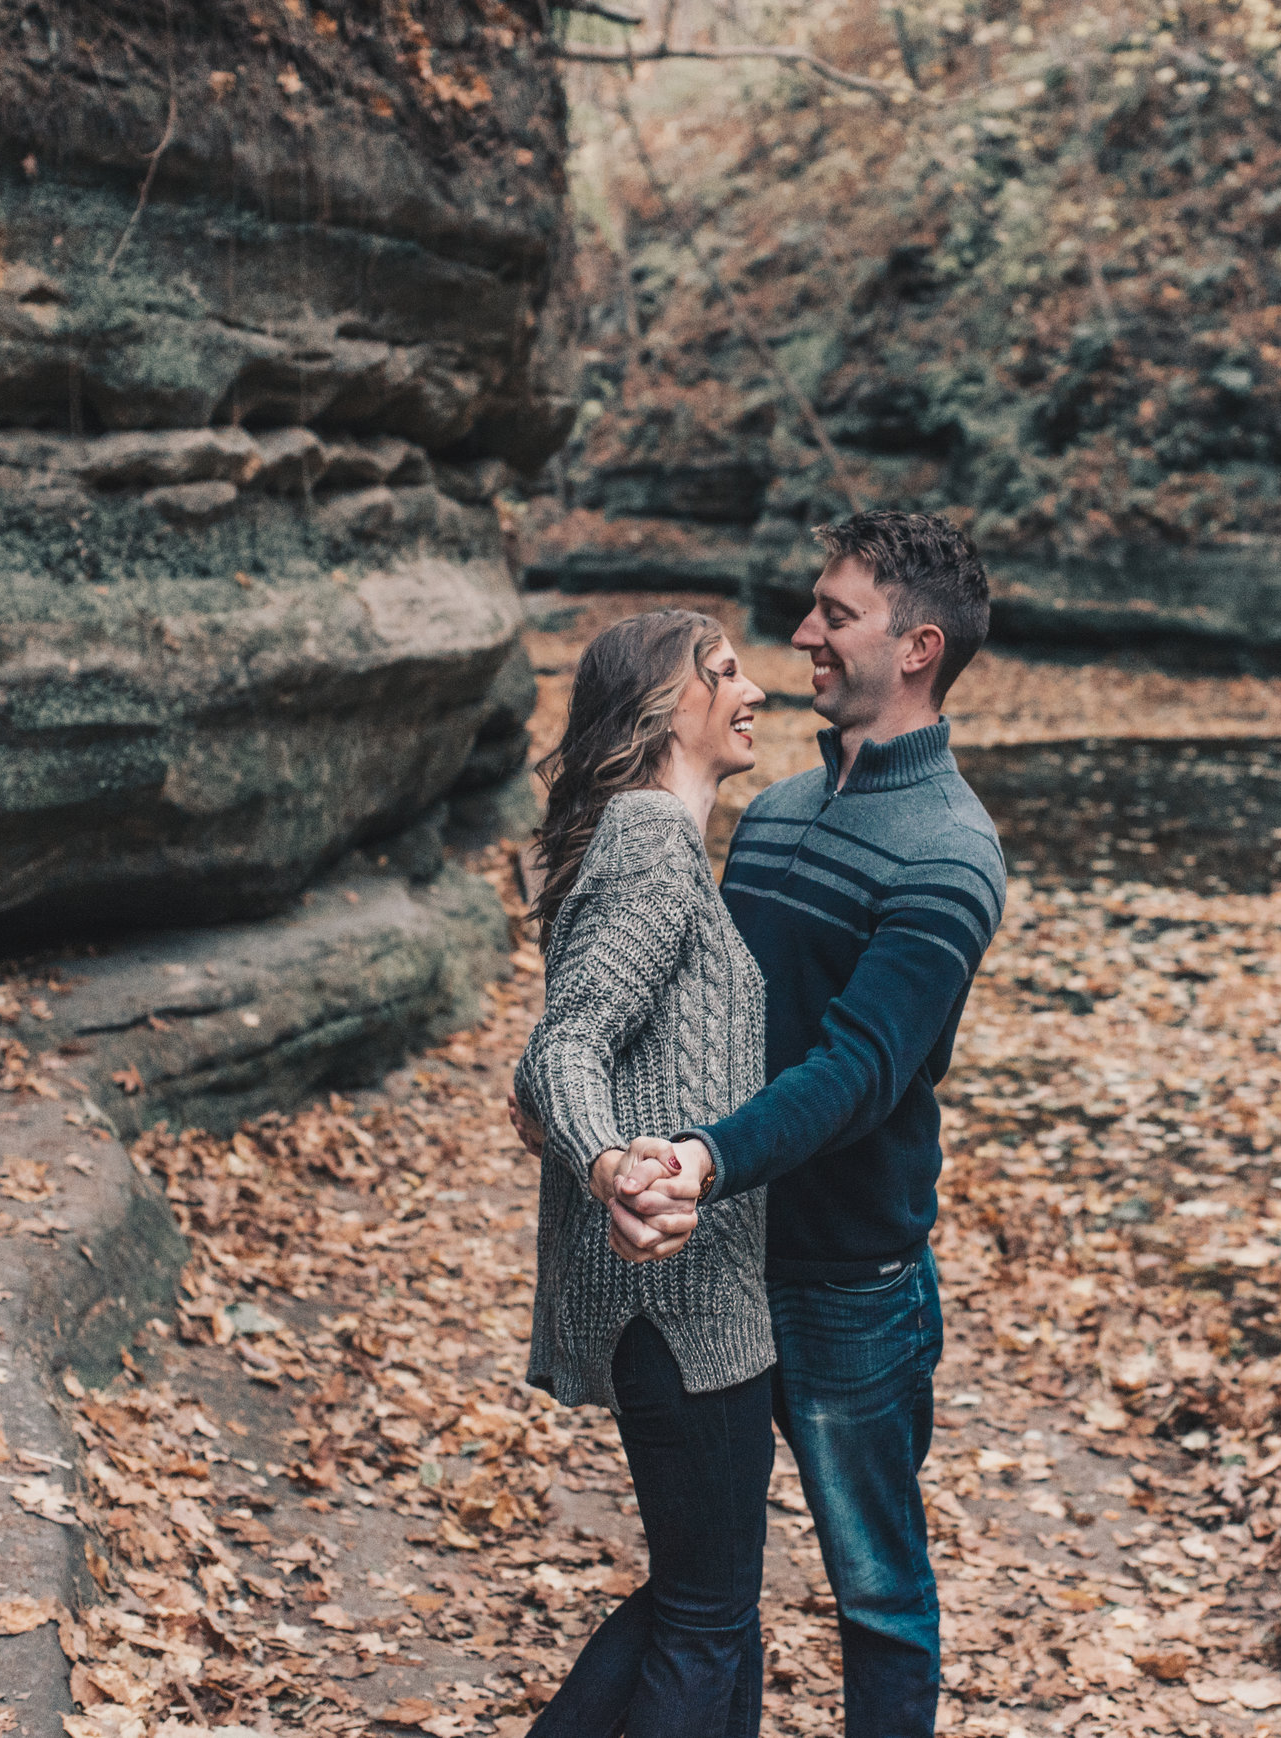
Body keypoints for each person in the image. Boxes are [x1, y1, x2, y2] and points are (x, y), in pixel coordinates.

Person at [520, 510, 1006, 1738]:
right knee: (705, 1588)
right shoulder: (774, 813)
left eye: (836, 613)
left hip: (844, 1281)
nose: (804, 635)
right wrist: (579, 1122)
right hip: (715, 1261)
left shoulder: (951, 853)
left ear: (918, 647)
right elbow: (673, 1008)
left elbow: (857, 1072)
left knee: (876, 1594)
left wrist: (696, 1156)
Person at [511, 608, 775, 1738]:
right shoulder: (649, 841)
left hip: (684, 1302)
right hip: (678, 1302)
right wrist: (610, 1159)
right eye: (725, 672)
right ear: (670, 707)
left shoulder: (653, 844)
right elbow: (562, 1044)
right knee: (707, 1616)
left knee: (706, 1607)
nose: (753, 687)